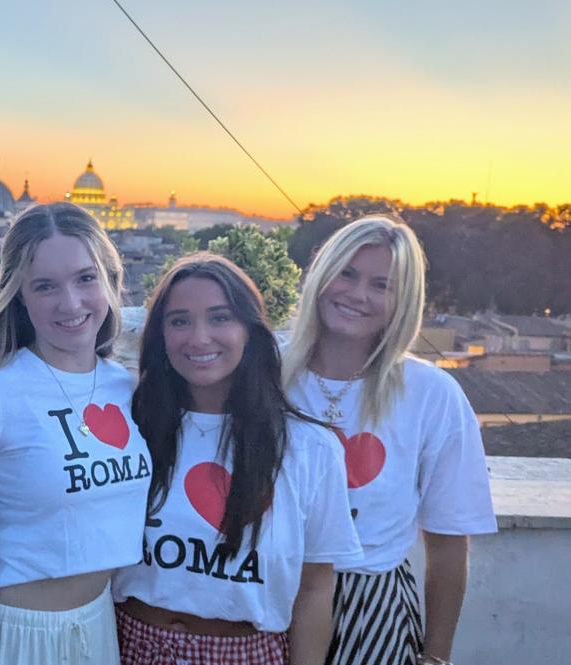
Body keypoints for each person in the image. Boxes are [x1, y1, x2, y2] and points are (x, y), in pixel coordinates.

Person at [114, 253, 361, 665]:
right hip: (126, 647)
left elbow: (316, 588)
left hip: (247, 653)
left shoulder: (309, 448)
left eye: (219, 318)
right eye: (179, 321)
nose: (199, 338)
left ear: (250, 331)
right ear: (160, 335)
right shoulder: (130, 428)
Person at [282, 214, 497, 665]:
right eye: (347, 273)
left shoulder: (431, 394)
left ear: (405, 300)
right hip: (268, 592)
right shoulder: (265, 373)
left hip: (373, 609)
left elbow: (448, 543)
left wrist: (436, 657)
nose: (357, 294)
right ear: (323, 273)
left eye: (382, 285)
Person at [0, 202, 150, 664]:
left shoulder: (129, 388)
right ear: (18, 295)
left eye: (85, 278)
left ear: (109, 278)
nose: (71, 303)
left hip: (99, 626)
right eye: (45, 286)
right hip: (11, 633)